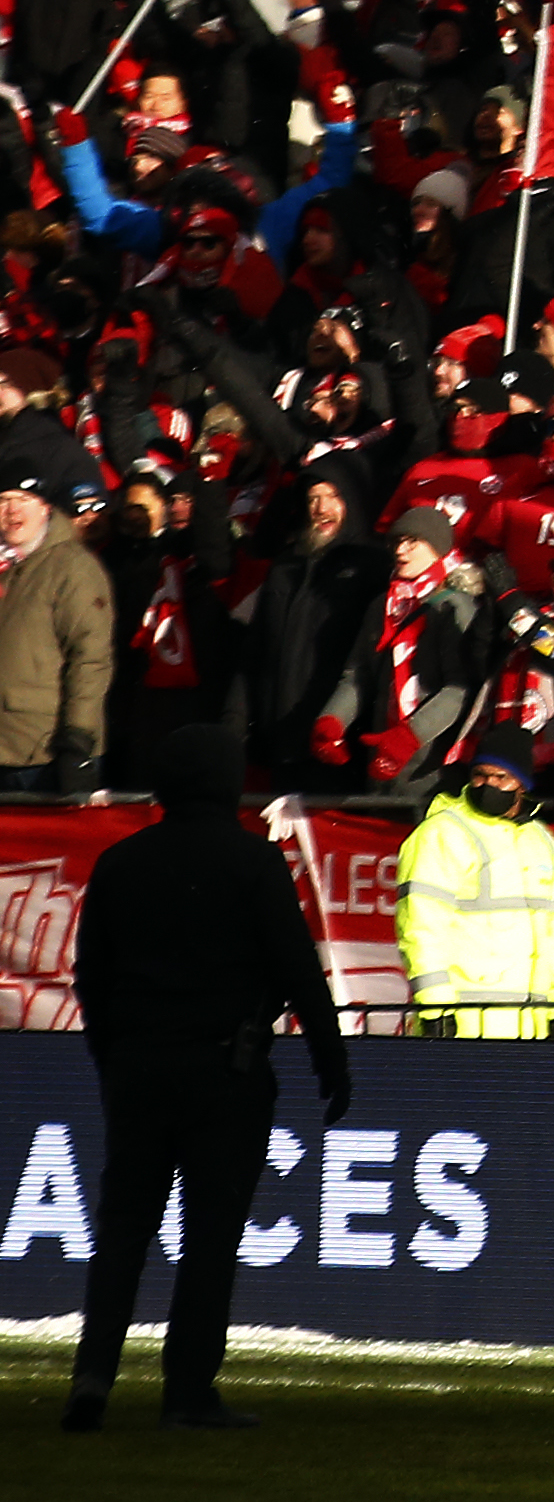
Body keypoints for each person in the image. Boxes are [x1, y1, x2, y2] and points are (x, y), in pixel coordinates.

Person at [65, 724, 349, 1431]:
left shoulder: (121, 861)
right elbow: (295, 968)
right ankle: (187, 1390)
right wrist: (329, 1058)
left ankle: (93, 1376)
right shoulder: (252, 862)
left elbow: (90, 977)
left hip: (137, 1066)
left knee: (124, 1228)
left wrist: (113, 1055)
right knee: (210, 1235)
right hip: (227, 1069)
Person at [392, 726, 554, 1038]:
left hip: (532, 1027)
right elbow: (421, 927)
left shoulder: (542, 840)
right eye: (481, 775)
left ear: (522, 783)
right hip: (464, 1025)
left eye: (501, 777)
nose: (488, 785)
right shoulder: (441, 834)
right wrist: (435, 1007)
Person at [0, 469, 113, 794]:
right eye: (4, 500)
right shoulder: (4, 564)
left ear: (45, 507)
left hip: (42, 750)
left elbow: (90, 659)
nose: (13, 510)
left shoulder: (72, 568)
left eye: (24, 499)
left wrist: (78, 737)